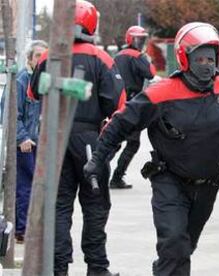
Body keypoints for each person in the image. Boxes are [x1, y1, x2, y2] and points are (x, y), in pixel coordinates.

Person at [84, 22, 219, 276]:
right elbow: (121, 123)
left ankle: (163, 270)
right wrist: (98, 159)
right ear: (184, 58)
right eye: (199, 58)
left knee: (184, 247)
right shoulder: (161, 93)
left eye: (210, 58)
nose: (206, 64)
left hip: (208, 185)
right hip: (170, 181)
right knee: (174, 245)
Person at [28, 1, 125, 275]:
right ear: (91, 24)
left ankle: (58, 267)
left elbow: (33, 94)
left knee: (59, 205)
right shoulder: (101, 58)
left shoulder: (48, 56)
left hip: (54, 138)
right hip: (89, 139)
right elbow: (119, 103)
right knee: (95, 205)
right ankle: (96, 267)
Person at [110, 25, 156, 189]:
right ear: (131, 39)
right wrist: (145, 57)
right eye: (138, 39)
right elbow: (150, 72)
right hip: (132, 104)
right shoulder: (137, 56)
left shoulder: (118, 55)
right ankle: (116, 177)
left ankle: (97, 169)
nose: (141, 42)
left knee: (113, 140)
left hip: (116, 102)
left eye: (142, 39)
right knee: (133, 142)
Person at [15, 40, 48, 243]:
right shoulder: (22, 79)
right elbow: (11, 113)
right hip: (26, 143)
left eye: (44, 56)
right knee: (26, 186)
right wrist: (22, 137)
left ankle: (33, 228)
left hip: (40, 142)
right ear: (29, 58)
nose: (41, 59)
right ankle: (22, 230)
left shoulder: (44, 80)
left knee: (39, 186)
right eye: (37, 56)